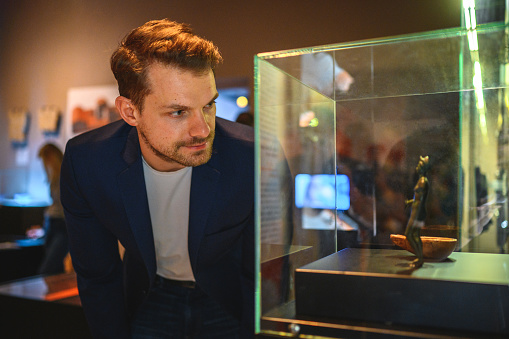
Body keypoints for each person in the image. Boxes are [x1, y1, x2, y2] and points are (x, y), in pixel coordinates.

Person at [60, 19, 254, 338]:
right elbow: (97, 274)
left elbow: (262, 273)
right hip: (148, 294)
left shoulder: (250, 156)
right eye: (178, 112)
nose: (203, 130)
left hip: (229, 298)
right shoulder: (89, 162)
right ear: (130, 112)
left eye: (208, 105)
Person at [30, 143, 68, 274]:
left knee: (48, 269)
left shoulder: (65, 176)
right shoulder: (55, 178)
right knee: (54, 269)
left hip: (62, 226)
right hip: (53, 224)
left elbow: (64, 206)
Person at [404, 156, 430, 268]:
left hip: (418, 212)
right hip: (416, 210)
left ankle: (420, 257)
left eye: (420, 165)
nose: (417, 167)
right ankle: (419, 258)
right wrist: (410, 201)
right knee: (414, 235)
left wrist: (416, 214)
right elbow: (418, 198)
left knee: (409, 234)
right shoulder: (421, 180)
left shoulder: (423, 181)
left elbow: (421, 200)